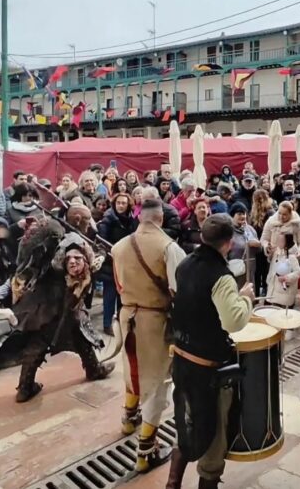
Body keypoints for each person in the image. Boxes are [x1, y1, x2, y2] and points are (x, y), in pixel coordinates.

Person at [165, 214, 255, 489]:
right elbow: (233, 321)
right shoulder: (222, 276)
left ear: (202, 237)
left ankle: (172, 484)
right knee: (214, 435)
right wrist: (246, 299)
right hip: (207, 369)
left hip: (180, 358)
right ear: (228, 244)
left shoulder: (185, 263)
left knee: (186, 420)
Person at [112, 199, 186, 473]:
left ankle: (128, 419)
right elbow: (179, 290)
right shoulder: (169, 247)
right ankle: (145, 452)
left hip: (127, 316)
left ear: (140, 218)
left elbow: (118, 284)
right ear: (161, 219)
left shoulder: (119, 246)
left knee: (132, 370)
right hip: (154, 321)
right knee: (157, 383)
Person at [2, 223, 114, 402]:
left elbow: (98, 263)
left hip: (69, 308)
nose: (74, 263)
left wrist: (101, 254)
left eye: (77, 260)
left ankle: (93, 369)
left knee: (81, 334)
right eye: (71, 260)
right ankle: (25, 387)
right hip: (49, 307)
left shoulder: (84, 254)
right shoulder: (52, 260)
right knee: (38, 344)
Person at [97, 193, 137, 335]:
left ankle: (121, 321)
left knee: (123, 295)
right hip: (110, 262)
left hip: (126, 262)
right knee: (110, 294)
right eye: (118, 203)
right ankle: (107, 324)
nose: (120, 205)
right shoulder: (108, 220)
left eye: (123, 203)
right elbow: (101, 241)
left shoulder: (132, 221)